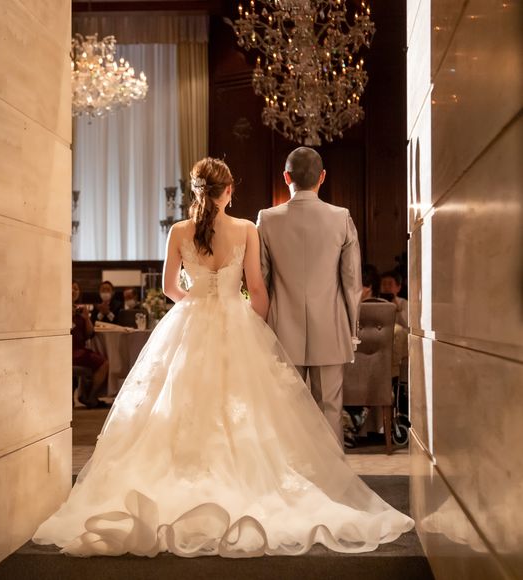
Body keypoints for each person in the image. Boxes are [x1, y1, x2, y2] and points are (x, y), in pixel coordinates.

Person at [33, 158, 413, 558]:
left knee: (178, 406)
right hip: (236, 322)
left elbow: (169, 288)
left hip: (189, 322)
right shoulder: (246, 228)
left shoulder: (179, 231)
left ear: (196, 191)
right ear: (228, 191)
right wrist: (253, 328)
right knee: (247, 410)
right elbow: (258, 291)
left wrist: (197, 301)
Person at [257, 147, 362, 446]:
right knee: (330, 409)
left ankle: (290, 472)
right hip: (330, 328)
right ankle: (332, 473)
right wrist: (352, 329)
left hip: (281, 330)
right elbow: (352, 281)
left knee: (286, 412)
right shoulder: (341, 218)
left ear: (286, 177)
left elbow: (261, 279)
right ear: (323, 177)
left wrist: (259, 329)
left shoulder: (267, 219)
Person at [71, 281, 110, 409]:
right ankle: (89, 397)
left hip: (79, 350)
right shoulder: (60, 310)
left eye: (76, 289)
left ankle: (90, 395)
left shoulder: (80, 309)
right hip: (68, 350)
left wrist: (86, 317)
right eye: (71, 288)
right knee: (103, 363)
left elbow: (89, 334)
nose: (73, 291)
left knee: (104, 363)